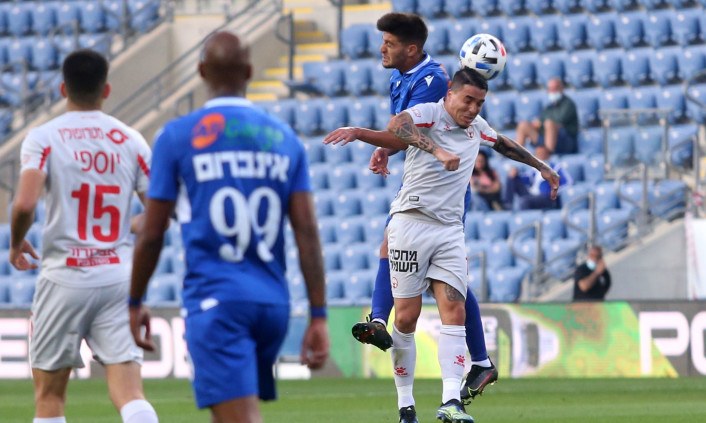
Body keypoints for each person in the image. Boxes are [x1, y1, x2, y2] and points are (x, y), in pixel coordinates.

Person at [128, 31, 329, 423]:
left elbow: (152, 233)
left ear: (201, 71)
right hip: (272, 303)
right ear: (250, 72)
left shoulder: (177, 136)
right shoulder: (285, 139)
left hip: (217, 300)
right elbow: (306, 231)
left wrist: (134, 302)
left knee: (239, 416)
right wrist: (318, 313)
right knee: (229, 412)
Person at [341, 68, 560, 423]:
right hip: (411, 222)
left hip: (449, 231)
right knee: (407, 318)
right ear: (450, 95)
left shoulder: (477, 127)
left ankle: (451, 401)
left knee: (454, 310)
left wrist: (541, 166)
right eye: (468, 100)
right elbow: (397, 125)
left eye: (479, 103)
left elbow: (503, 143)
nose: (473, 109)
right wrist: (437, 150)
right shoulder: (429, 113)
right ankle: (406, 407)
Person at [323, 13, 498, 416]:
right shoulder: (402, 78)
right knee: (435, 276)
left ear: (411, 48)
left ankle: (385, 323)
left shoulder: (432, 81)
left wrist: (366, 135)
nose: (381, 48)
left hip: (439, 193)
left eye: (389, 43)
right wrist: (386, 147)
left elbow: (413, 133)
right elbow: (404, 135)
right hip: (423, 187)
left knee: (432, 274)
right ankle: (474, 359)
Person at [9, 50, 159, 423]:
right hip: (117, 278)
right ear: (106, 89)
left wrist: (15, 243)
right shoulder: (130, 140)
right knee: (130, 393)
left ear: (63, 88)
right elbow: (159, 214)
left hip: (64, 276)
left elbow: (25, 204)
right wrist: (123, 227)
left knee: (49, 399)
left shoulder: (44, 138)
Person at [515, 77, 579, 155]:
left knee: (549, 123)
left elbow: (559, 120)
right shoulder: (548, 107)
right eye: (550, 89)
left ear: (562, 89)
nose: (552, 91)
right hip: (546, 139)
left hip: (565, 142)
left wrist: (541, 123)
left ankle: (548, 153)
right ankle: (516, 154)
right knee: (523, 125)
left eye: (555, 88)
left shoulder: (568, 104)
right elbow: (539, 121)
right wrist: (536, 124)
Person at [503, 145, 570, 210]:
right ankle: (507, 205)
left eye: (542, 153)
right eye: (537, 154)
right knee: (512, 177)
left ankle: (527, 217)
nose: (539, 156)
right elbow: (528, 178)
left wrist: (554, 191)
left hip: (545, 196)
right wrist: (516, 172)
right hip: (532, 194)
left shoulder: (555, 168)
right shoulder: (535, 168)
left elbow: (567, 182)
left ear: (547, 155)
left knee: (525, 201)